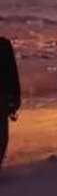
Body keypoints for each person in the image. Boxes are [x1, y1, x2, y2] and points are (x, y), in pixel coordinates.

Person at [0, 34, 20, 168]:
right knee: (1, 133)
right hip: (3, 95)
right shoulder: (4, 44)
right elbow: (13, 72)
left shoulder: (4, 44)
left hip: (3, 95)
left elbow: (12, 72)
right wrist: (16, 98)